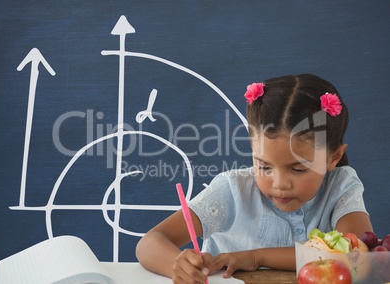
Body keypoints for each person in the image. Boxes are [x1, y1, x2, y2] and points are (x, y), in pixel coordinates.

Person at [136, 74, 373, 284]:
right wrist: (178, 265)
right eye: (264, 166)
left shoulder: (341, 186)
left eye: (298, 169)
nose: (279, 184)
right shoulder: (233, 189)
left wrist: (256, 257)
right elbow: (149, 243)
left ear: (334, 157)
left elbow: (356, 257)